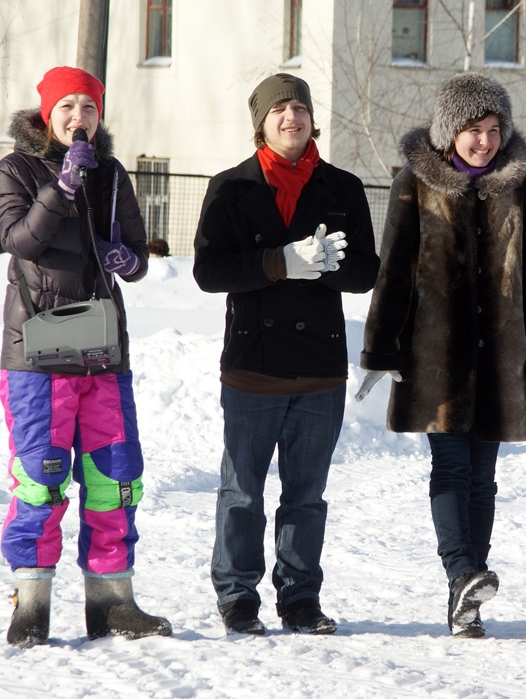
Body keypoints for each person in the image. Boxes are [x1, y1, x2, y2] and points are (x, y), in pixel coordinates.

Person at [357, 72, 526, 638]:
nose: (484, 140)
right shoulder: (415, 182)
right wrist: (382, 347)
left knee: (485, 478)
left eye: (493, 128)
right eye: (473, 129)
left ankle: (467, 601)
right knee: (451, 466)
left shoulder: (523, 187)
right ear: (450, 130)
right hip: (437, 356)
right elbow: (394, 270)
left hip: (502, 355)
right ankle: (462, 573)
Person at [0, 65, 171, 648]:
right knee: (41, 478)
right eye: (66, 106)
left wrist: (126, 260)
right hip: (38, 354)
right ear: (47, 113)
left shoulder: (113, 173)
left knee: (115, 478)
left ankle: (113, 601)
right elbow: (20, 241)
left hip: (102, 353)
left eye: (88, 107)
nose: (78, 117)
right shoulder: (14, 168)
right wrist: (62, 187)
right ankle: (31, 603)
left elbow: (138, 257)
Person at [193, 73, 379, 636]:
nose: (290, 117)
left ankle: (300, 598)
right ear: (262, 122)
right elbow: (208, 271)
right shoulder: (231, 187)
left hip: (320, 368)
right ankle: (237, 596)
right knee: (242, 491)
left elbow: (367, 271)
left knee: (307, 495)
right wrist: (281, 262)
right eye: (279, 109)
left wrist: (324, 265)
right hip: (252, 364)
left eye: (299, 107)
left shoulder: (343, 188)